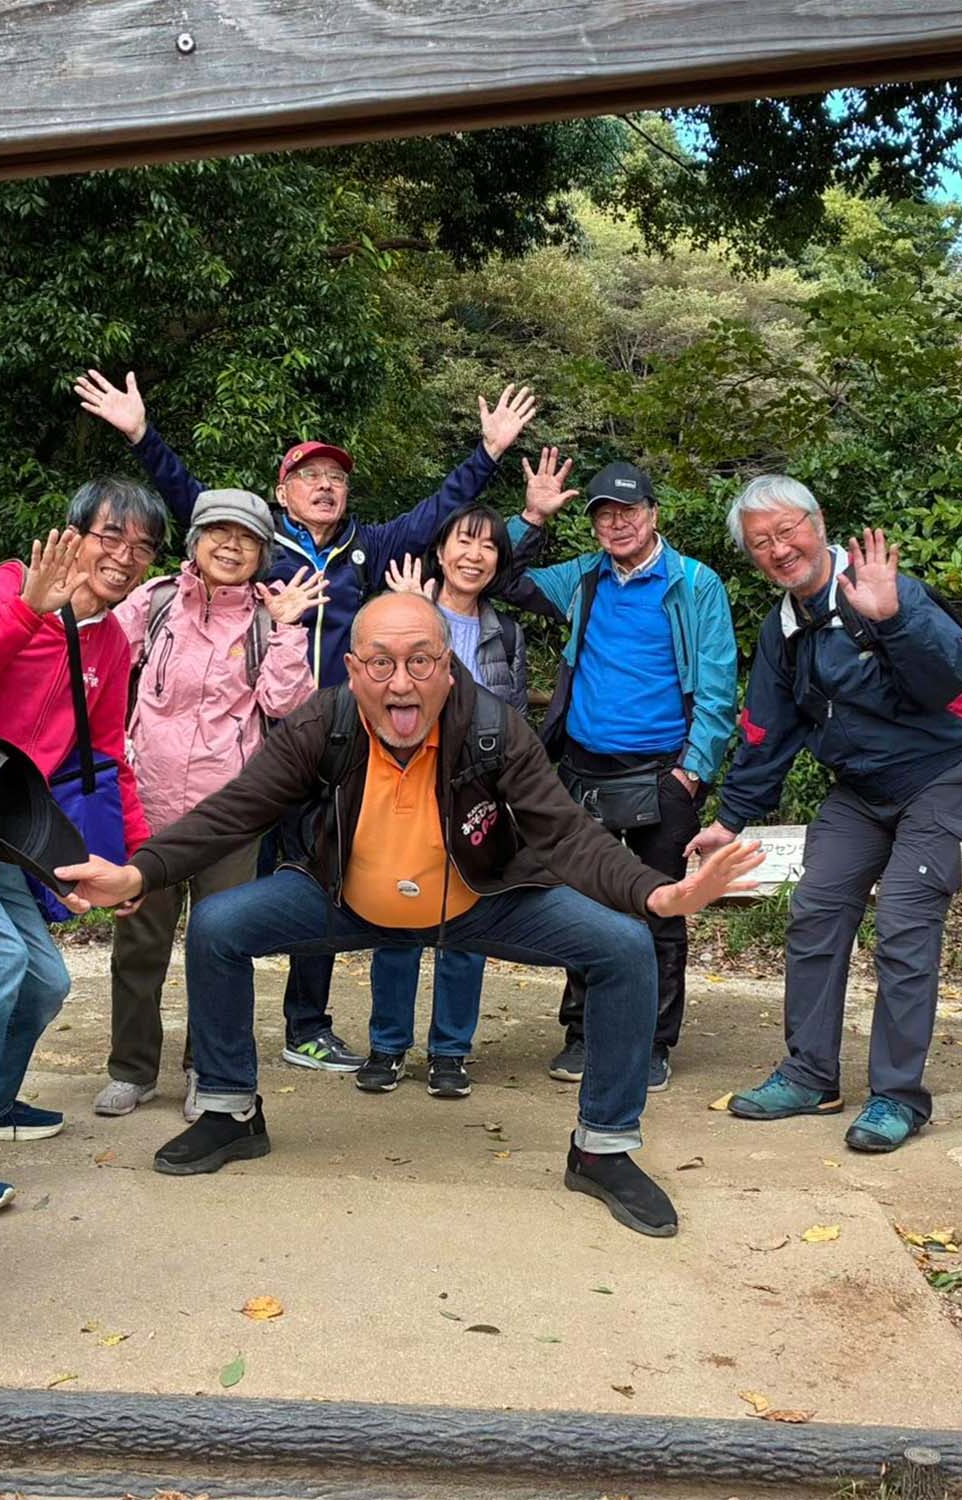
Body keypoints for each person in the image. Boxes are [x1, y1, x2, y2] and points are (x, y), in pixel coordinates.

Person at [53, 593, 765, 1239]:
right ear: (353, 670)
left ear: (448, 669)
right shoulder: (323, 724)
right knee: (218, 927)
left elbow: (568, 835)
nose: (402, 683)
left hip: (477, 903)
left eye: (422, 661)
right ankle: (229, 1112)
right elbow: (234, 812)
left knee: (624, 945)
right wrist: (138, 872)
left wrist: (655, 894)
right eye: (382, 663)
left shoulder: (493, 728)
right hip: (347, 901)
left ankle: (603, 1150)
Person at [72, 370, 539, 1073]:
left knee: (325, 880)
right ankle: (151, 1060)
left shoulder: (370, 549)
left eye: (337, 479)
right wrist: (142, 435)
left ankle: (306, 1025)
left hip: (339, 745)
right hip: (258, 749)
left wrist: (489, 452)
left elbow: (440, 513)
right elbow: (195, 503)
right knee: (216, 898)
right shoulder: (256, 548)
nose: (325, 487)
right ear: (282, 490)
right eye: (309, 476)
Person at [687, 475, 962, 1153]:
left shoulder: (884, 591)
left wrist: (894, 620)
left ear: (818, 522)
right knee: (817, 909)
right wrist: (730, 820)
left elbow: (955, 677)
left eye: (787, 530)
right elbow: (766, 731)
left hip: (943, 773)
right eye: (761, 542)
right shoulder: (784, 630)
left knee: (906, 922)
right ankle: (809, 1076)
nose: (778, 548)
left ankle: (898, 1096)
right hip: (861, 786)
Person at [0, 478, 168, 1217]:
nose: (126, 556)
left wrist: (135, 861)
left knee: (44, 981)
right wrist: (25, 613)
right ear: (73, 535)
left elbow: (106, 757)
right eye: (111, 536)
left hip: (5, 837)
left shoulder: (111, 642)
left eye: (143, 547)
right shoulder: (7, 587)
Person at [508, 453, 738, 1091]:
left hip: (663, 774)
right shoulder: (583, 578)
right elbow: (503, 578)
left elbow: (718, 686)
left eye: (628, 510)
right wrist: (532, 517)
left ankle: (652, 1040)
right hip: (583, 769)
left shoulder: (694, 584)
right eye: (604, 514)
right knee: (584, 906)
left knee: (662, 910)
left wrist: (692, 773)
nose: (617, 523)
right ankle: (583, 1033)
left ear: (653, 513)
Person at [99, 488, 324, 1119]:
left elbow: (288, 706)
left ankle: (210, 1067)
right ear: (196, 540)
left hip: (230, 817)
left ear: (261, 553)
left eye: (248, 538)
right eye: (220, 532)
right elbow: (103, 661)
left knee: (220, 944)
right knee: (139, 945)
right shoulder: (156, 602)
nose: (232, 546)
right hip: (148, 806)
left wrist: (288, 630)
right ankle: (132, 1068)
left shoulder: (265, 619)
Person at [359, 506, 534, 1099]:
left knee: (467, 926)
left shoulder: (505, 633)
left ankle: (450, 1051)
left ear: (499, 561)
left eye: (489, 546)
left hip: (475, 791)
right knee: (396, 916)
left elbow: (514, 718)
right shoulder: (396, 615)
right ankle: (387, 1045)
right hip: (403, 783)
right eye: (464, 541)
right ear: (440, 551)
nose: (474, 555)